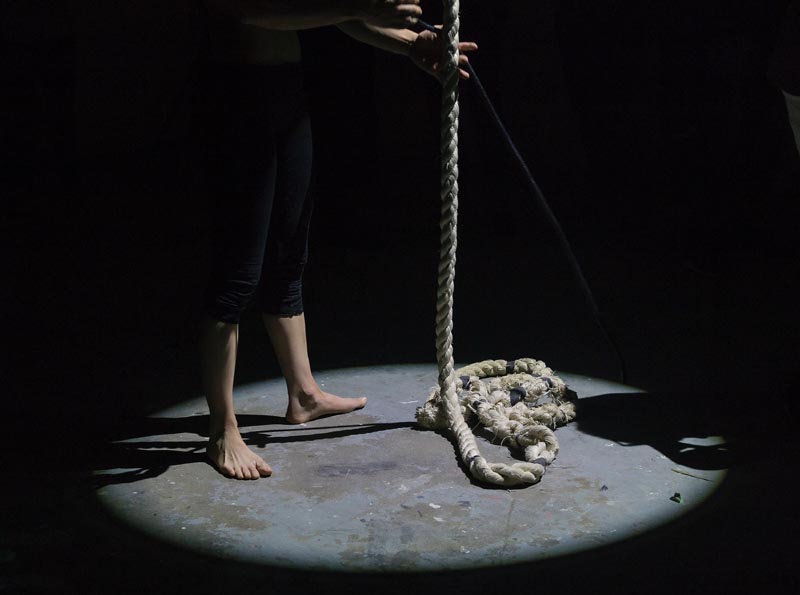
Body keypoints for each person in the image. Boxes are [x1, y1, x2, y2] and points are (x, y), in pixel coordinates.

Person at [197, 1, 477, 480]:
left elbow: (332, 14)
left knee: (289, 251)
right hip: (237, 90)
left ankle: (303, 394)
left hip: (284, 86)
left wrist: (409, 45)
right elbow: (248, 10)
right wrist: (359, 4)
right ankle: (223, 430)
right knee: (238, 271)